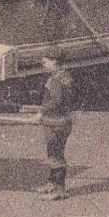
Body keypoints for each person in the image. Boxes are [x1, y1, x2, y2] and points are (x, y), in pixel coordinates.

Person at [36, 49, 76, 201]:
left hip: (56, 122)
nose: (43, 63)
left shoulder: (56, 80)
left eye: (45, 61)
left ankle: (59, 190)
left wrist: (41, 112)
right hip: (62, 120)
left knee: (56, 154)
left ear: (54, 61)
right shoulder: (63, 76)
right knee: (53, 153)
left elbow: (56, 101)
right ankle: (52, 183)